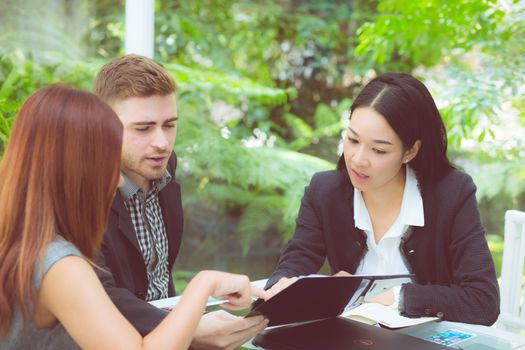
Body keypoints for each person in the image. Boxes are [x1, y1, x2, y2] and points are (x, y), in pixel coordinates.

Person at [0, 85, 266, 349]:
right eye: (107, 164)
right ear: (74, 171)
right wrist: (204, 284)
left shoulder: (19, 238)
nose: (117, 182)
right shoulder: (59, 266)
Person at [265, 72, 500, 325]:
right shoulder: (324, 191)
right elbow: (292, 265)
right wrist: (286, 286)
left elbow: (482, 302)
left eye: (378, 150)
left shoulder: (452, 194)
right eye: (352, 140)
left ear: (410, 151)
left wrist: (396, 296)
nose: (358, 160)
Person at [92, 54, 268, 349]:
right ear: (103, 126)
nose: (161, 142)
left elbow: (158, 281)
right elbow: (97, 295)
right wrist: (190, 328)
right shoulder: (82, 192)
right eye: (143, 128)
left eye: (169, 125)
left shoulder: (164, 167)